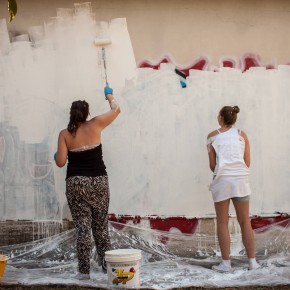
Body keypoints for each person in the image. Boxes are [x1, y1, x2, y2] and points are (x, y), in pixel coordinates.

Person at [54, 85, 120, 279]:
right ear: (87, 113)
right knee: (100, 227)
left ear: (71, 114)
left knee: (83, 227)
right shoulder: (96, 123)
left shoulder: (65, 134)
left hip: (76, 183)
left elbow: (60, 162)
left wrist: (57, 154)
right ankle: (108, 269)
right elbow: (117, 110)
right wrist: (109, 96)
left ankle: (84, 272)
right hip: (99, 181)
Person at [207, 106, 260, 273]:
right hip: (241, 180)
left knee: (222, 222)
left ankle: (226, 264)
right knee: (245, 221)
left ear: (221, 118)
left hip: (222, 181)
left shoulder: (212, 137)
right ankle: (252, 262)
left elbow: (212, 165)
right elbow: (247, 162)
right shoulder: (242, 135)